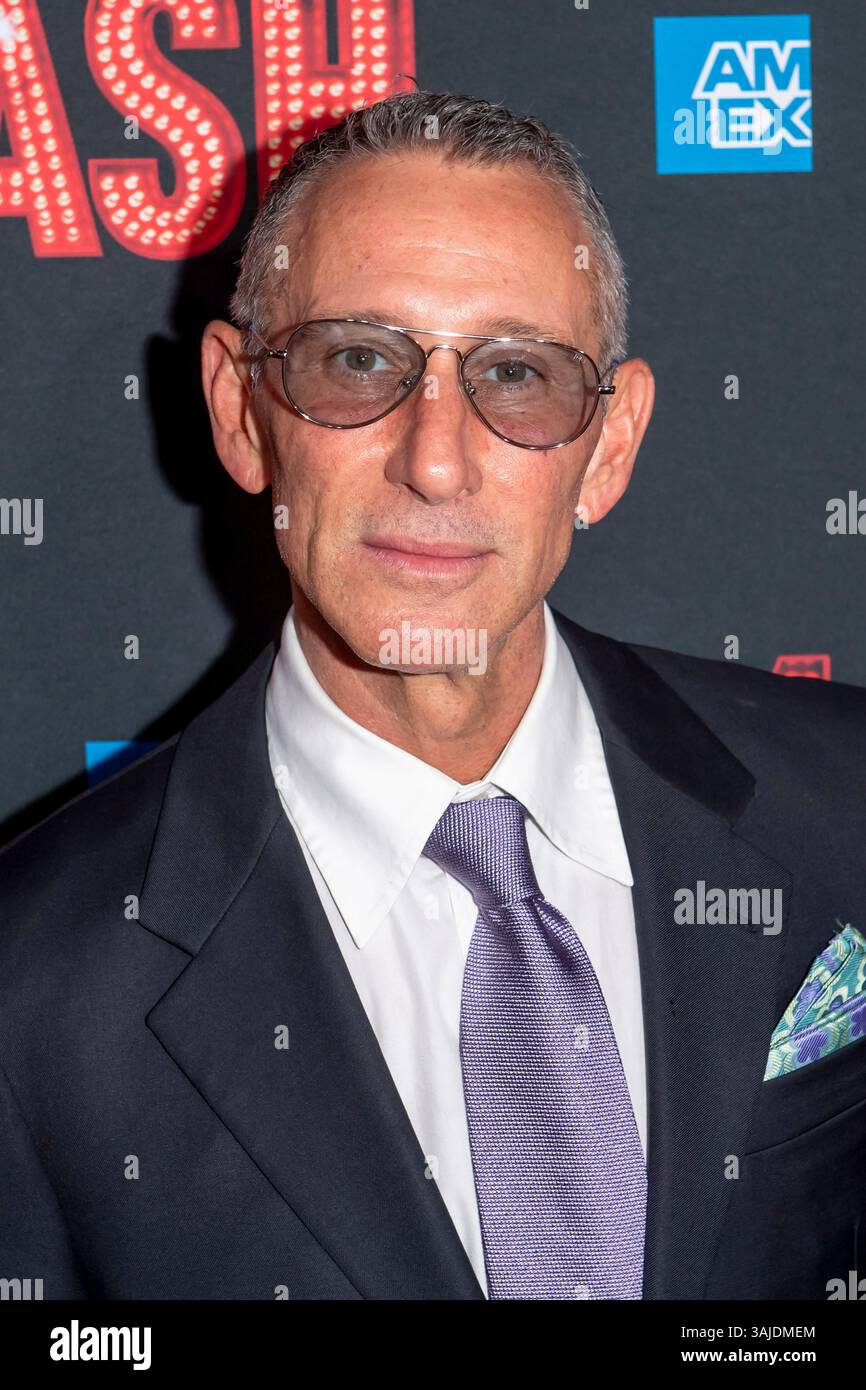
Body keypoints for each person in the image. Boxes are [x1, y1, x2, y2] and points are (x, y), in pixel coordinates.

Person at [1, 90, 865, 1302]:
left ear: (605, 448)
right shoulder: (31, 986)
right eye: (359, 361)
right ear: (241, 412)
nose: (436, 458)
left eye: (516, 375)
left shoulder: (846, 809)